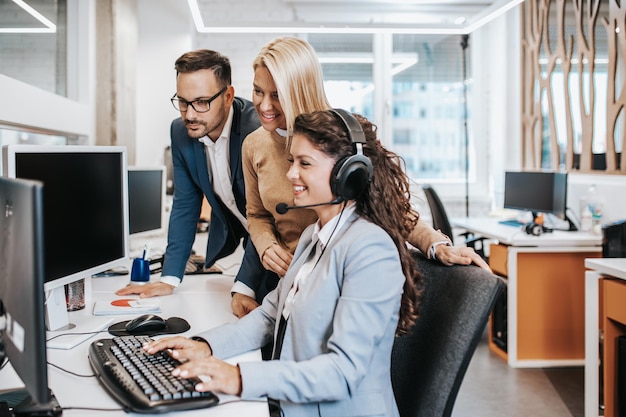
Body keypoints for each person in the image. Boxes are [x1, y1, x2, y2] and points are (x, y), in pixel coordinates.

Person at [143, 109, 422, 417]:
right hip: (291, 404)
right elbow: (271, 316)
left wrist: (238, 377)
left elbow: (344, 371)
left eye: (305, 163)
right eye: (292, 161)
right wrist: (205, 345)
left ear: (349, 175)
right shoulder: (312, 236)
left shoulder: (370, 250)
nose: (290, 174)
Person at [231, 36, 488, 318]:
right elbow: (256, 214)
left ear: (299, 90)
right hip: (287, 286)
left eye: (277, 95)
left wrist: (434, 244)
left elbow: (389, 205)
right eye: (258, 91)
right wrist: (266, 246)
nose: (264, 106)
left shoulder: (344, 136)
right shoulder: (253, 145)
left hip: (341, 286)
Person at [116, 49, 261, 299]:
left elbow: (265, 216)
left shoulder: (256, 130)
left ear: (228, 96)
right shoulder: (181, 132)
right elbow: (185, 204)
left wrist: (244, 284)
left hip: (277, 243)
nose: (190, 114)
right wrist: (170, 278)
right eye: (183, 101)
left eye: (202, 102)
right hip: (245, 241)